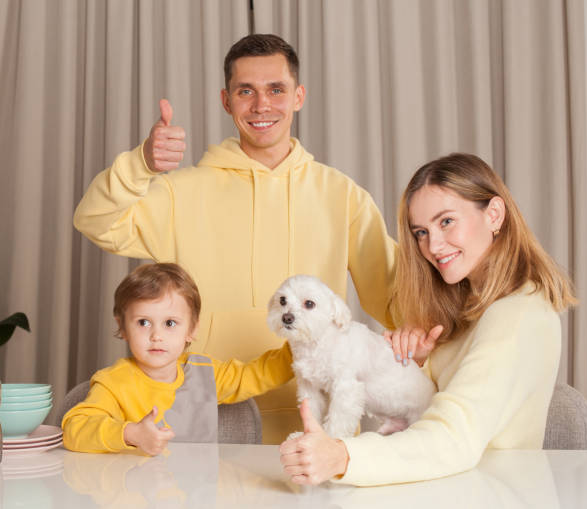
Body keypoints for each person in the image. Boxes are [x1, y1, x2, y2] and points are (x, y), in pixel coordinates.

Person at [73, 34, 398, 444]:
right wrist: (141, 165)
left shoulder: (343, 195)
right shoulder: (181, 191)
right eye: (246, 91)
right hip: (207, 422)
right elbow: (95, 219)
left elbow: (394, 294)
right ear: (227, 101)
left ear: (298, 96)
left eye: (276, 90)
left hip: (316, 420)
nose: (262, 105)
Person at [279, 153, 576, 485]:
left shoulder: (518, 314)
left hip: (493, 491)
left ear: (494, 215)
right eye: (421, 232)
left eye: (446, 221)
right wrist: (420, 364)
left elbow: (455, 436)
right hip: (454, 485)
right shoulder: (472, 307)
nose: (433, 245)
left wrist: (343, 455)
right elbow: (452, 402)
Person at [62, 263, 293, 455]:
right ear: (122, 327)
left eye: (170, 323)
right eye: (143, 322)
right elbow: (75, 429)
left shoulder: (206, 373)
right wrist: (130, 433)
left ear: (191, 329)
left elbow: (258, 375)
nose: (156, 336)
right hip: (135, 495)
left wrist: (298, 349)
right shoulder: (114, 382)